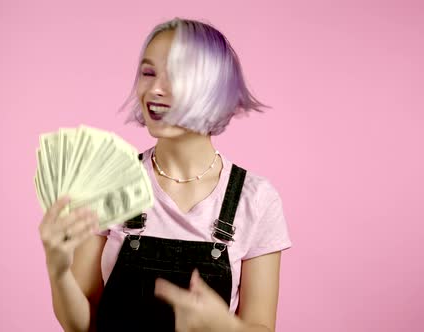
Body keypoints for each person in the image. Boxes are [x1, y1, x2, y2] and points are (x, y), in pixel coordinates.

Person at [38, 17, 292, 332]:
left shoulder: (255, 199)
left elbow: (261, 326)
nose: (155, 89)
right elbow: (82, 326)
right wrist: (58, 270)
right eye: (148, 73)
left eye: (176, 76)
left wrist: (225, 327)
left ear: (213, 87)